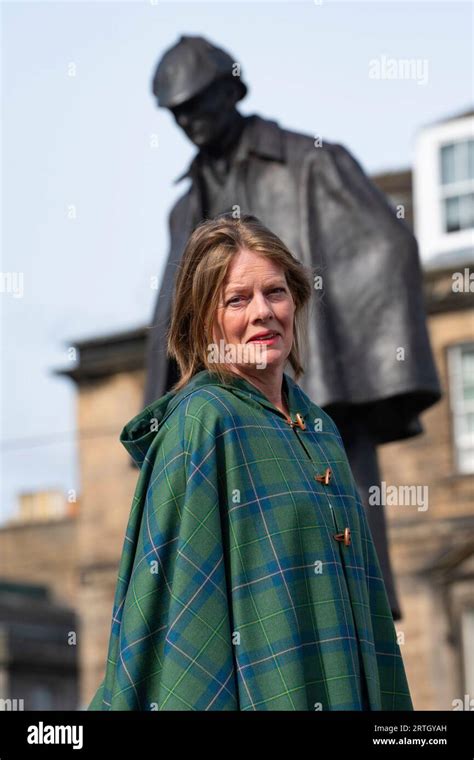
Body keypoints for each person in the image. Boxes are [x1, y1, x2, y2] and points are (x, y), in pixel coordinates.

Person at [143, 35, 442, 622]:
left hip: (316, 402)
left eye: (199, 103)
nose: (190, 121)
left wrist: (346, 367)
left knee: (344, 595)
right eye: (178, 113)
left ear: (234, 89)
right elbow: (170, 313)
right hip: (226, 414)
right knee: (246, 599)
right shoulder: (184, 208)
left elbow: (386, 248)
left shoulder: (311, 161)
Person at [88, 214, 413, 711]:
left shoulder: (321, 429)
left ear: (296, 301)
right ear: (203, 320)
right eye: (237, 299)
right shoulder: (204, 422)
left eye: (276, 292)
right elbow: (182, 627)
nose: (263, 312)